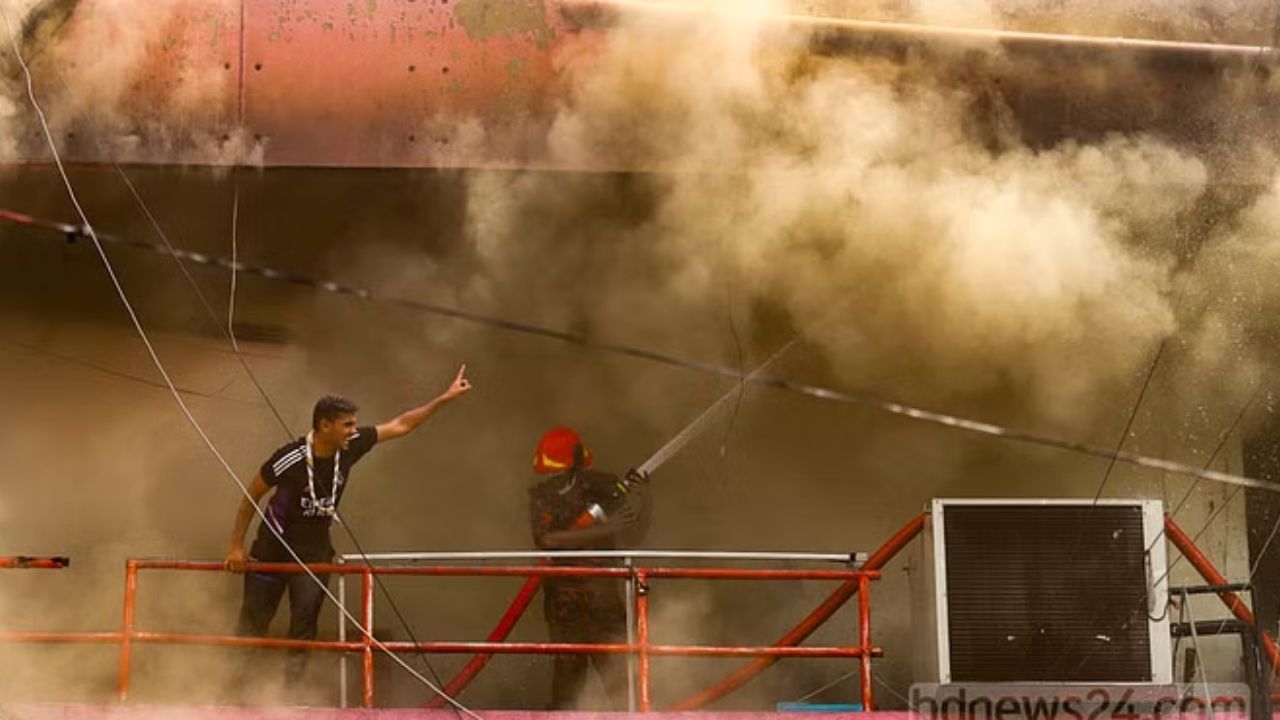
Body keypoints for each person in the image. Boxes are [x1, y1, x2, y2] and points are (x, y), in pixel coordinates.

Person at [223, 365, 472, 685]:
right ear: (324, 425)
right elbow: (250, 495)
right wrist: (235, 545)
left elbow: (401, 424)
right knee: (252, 626)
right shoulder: (290, 457)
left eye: (355, 424)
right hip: (271, 551)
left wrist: (444, 399)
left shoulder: (351, 446)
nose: (354, 430)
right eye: (347, 424)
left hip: (314, 554)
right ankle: (230, 695)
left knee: (303, 628)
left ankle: (288, 699)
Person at [528, 426, 650, 709]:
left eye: (557, 471)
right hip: (564, 605)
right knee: (567, 681)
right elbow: (547, 539)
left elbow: (633, 534)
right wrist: (604, 529)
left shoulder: (604, 487)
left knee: (619, 680)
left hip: (603, 600)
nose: (551, 478)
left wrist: (645, 498)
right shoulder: (542, 496)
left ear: (577, 466)